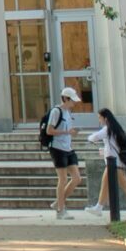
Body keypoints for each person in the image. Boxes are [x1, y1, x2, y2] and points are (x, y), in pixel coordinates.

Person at [83, 107, 126, 215]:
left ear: (105, 118)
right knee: (108, 185)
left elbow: (94, 137)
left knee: (123, 186)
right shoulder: (115, 128)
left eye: (99, 117)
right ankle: (99, 207)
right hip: (115, 162)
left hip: (113, 163)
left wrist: (89, 138)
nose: (99, 120)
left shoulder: (107, 129)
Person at [41, 86, 86, 217]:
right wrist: (67, 132)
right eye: (72, 100)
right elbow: (49, 130)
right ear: (65, 99)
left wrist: (72, 132)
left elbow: (67, 130)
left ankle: (58, 202)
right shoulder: (56, 111)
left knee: (77, 178)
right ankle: (61, 210)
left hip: (68, 148)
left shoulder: (68, 112)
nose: (74, 103)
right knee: (63, 179)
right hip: (57, 148)